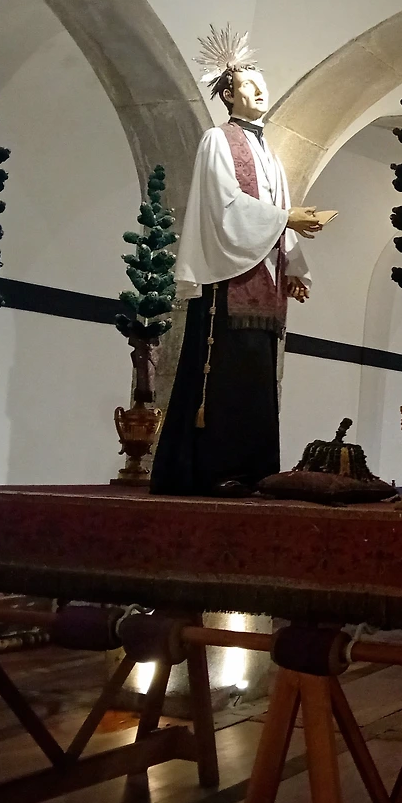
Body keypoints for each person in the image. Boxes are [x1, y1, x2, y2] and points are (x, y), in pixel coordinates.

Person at [151, 27, 325, 496]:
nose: (260, 91)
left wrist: (293, 268)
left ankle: (256, 470)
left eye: (262, 84)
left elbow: (278, 211)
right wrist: (286, 217)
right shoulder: (217, 140)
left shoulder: (271, 154)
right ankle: (216, 470)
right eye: (249, 85)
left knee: (259, 379)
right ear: (229, 94)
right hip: (228, 280)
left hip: (265, 281)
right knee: (227, 374)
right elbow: (223, 204)